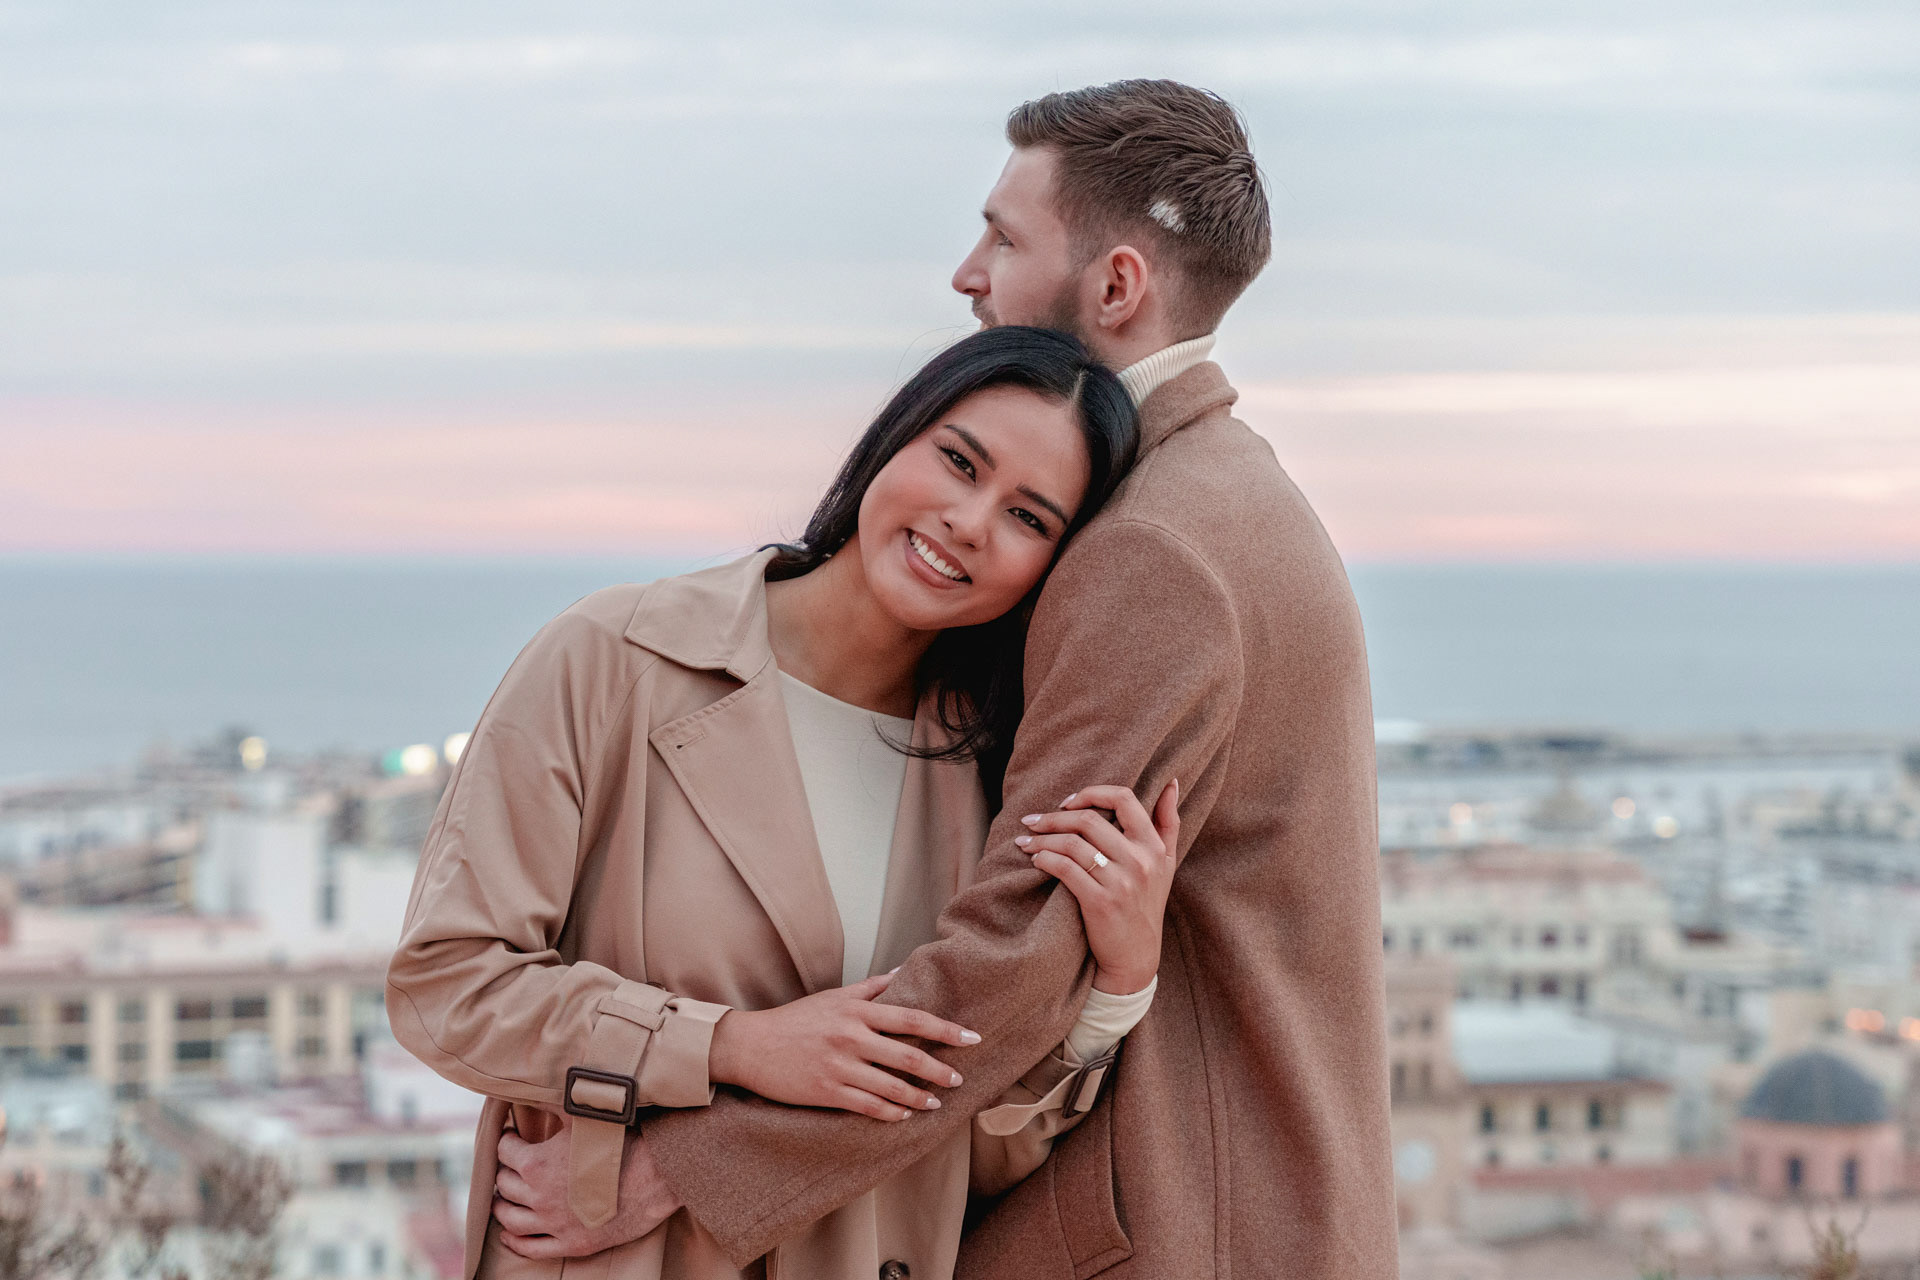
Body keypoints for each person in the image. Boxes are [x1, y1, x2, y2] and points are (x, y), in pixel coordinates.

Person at [482, 78, 1401, 1278]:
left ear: (1117, 284)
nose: (967, 274)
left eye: (1005, 237)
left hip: (1181, 1216)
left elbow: (1009, 963)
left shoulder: (1153, 550)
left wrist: (672, 1171)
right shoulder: (1229, 496)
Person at [387, 325, 1184, 1280]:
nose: (970, 521)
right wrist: (731, 1046)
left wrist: (1117, 985)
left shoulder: (997, 779)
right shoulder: (612, 659)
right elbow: (447, 985)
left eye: (1029, 518)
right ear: (895, 438)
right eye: (959, 462)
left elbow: (967, 1146)